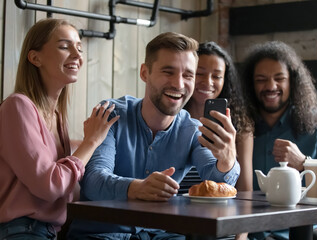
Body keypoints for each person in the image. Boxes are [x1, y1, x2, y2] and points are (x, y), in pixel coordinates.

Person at [68, 32, 240, 239]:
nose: (178, 84)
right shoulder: (110, 114)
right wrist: (135, 188)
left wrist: (228, 160)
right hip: (103, 235)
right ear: (144, 73)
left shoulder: (192, 130)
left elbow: (216, 180)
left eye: (188, 75)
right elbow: (94, 181)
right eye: (168, 72)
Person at [0, 18, 118, 239]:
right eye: (65, 46)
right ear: (35, 58)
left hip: (48, 232)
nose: (77, 54)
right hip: (20, 231)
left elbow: (66, 186)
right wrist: (91, 142)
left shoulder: (56, 116)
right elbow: (50, 187)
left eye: (79, 48)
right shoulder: (17, 106)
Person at [239, 41, 317, 240]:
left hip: (312, 228)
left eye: (279, 78)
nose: (271, 86)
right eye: (261, 79)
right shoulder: (240, 128)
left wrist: (304, 163)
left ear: (293, 81)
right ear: (250, 85)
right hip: (255, 231)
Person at [184, 41, 253, 240]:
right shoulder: (172, 119)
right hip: (178, 224)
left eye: (217, 76)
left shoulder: (240, 126)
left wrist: (241, 237)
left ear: (225, 80)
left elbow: (245, 191)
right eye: (200, 73)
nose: (208, 82)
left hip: (222, 226)